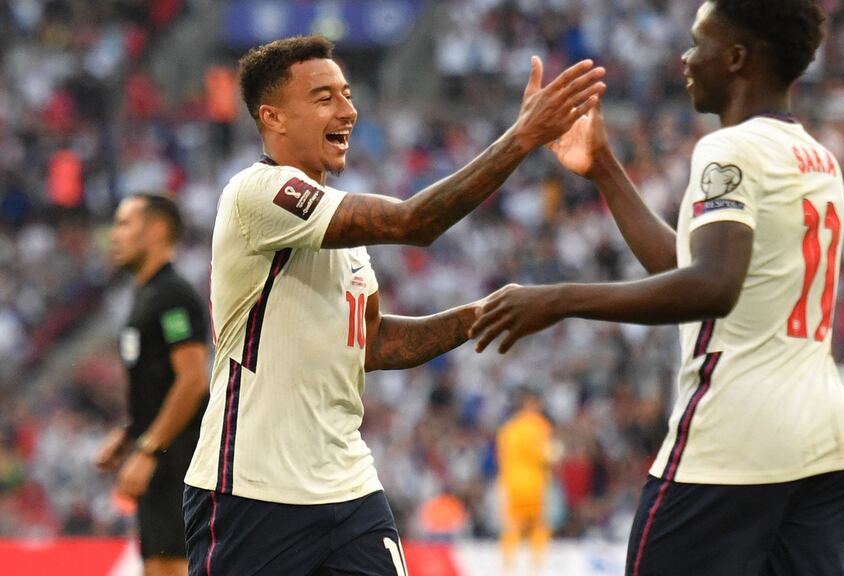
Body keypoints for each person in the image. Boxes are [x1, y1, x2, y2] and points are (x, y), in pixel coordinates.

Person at [471, 1, 844, 575]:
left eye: (698, 42)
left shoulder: (729, 149)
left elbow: (711, 286)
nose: (686, 57)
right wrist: (605, 168)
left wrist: (557, 299)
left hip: (736, 437)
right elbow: (688, 264)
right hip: (828, 443)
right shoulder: (818, 157)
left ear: (735, 58)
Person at [182, 35, 605, 575]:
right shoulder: (258, 191)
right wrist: (521, 138)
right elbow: (412, 222)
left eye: (348, 93)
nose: (348, 109)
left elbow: (374, 343)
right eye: (324, 97)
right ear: (274, 117)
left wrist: (483, 314)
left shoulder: (342, 233)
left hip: (348, 485)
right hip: (252, 489)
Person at [95, 194, 210, 576]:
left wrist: (146, 449)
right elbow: (161, 384)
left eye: (125, 223)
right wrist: (130, 433)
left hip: (179, 462)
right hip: (160, 459)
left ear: (157, 229)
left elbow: (192, 380)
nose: (115, 235)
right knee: (158, 566)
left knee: (175, 567)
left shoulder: (174, 296)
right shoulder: (147, 296)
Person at [495, 388, 558, 574]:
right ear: (532, 404)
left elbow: (502, 457)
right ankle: (537, 567)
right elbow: (546, 454)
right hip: (533, 483)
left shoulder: (508, 429)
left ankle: (508, 566)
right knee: (538, 525)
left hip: (512, 483)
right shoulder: (539, 426)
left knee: (512, 525)